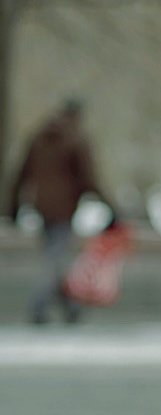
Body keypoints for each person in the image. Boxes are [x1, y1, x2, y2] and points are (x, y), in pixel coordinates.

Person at [6, 99, 113, 325]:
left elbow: (21, 173)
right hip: (64, 208)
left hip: (41, 205)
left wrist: (12, 207)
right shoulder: (75, 140)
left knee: (55, 255)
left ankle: (70, 305)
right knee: (54, 258)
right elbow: (88, 179)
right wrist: (111, 206)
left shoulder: (39, 137)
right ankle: (39, 305)